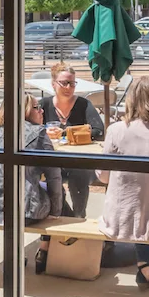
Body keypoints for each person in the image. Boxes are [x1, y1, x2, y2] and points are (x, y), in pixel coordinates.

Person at [0, 94, 63, 273]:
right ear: (25, 111)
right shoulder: (38, 132)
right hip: (19, 214)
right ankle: (48, 251)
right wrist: (56, 212)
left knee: (26, 189)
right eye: (37, 107)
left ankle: (25, 254)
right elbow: (54, 176)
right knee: (54, 194)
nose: (42, 111)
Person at [96, 76, 149, 288]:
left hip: (119, 219)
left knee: (132, 200)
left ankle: (129, 259)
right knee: (147, 199)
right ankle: (144, 264)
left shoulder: (116, 130)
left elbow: (103, 177)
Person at [40, 61, 104, 219]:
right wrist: (44, 132)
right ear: (53, 84)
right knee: (45, 176)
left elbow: (99, 131)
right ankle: (63, 216)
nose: (69, 87)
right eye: (64, 83)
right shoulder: (43, 105)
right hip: (53, 161)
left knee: (79, 173)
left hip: (80, 162)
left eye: (72, 83)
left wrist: (64, 134)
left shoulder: (83, 104)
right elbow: (29, 129)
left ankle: (78, 216)